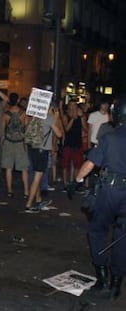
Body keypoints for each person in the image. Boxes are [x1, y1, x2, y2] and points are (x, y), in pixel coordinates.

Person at [72, 94, 126, 301]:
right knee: (122, 236)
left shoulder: (110, 137)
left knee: (97, 231)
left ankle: (103, 279)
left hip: (111, 191)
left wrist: (76, 180)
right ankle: (116, 283)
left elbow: (90, 164)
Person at [24, 106, 62, 212]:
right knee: (38, 177)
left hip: (33, 149)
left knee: (36, 175)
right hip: (42, 150)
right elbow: (59, 134)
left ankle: (38, 199)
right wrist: (56, 118)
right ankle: (29, 204)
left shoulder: (35, 116)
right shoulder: (49, 118)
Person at [1, 92, 29, 199]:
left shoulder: (5, 114)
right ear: (18, 100)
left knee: (8, 168)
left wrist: (1, 143)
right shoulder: (23, 113)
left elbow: (2, 131)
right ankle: (26, 191)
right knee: (24, 169)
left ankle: (9, 191)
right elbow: (26, 128)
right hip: (20, 142)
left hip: (8, 142)